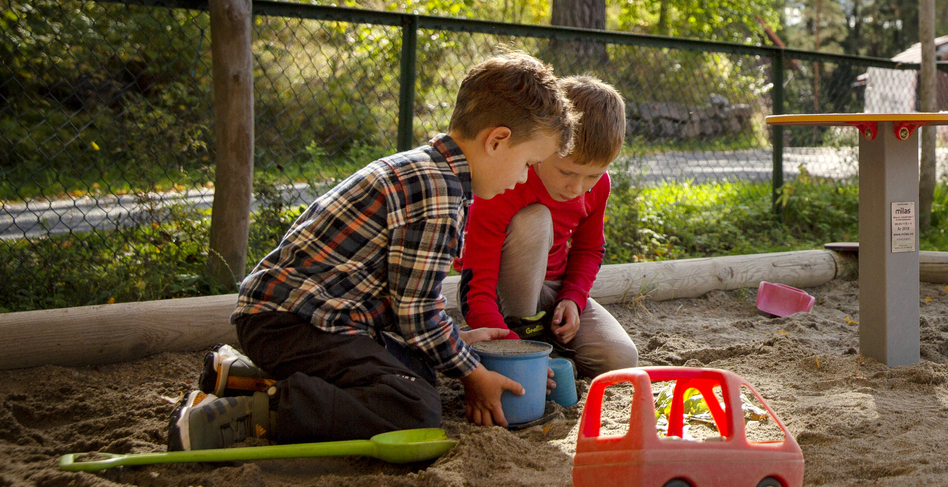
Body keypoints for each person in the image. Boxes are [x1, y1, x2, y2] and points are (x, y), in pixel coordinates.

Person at [170, 51, 576, 450]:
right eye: (527, 163)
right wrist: (472, 373)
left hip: (301, 317)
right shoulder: (438, 194)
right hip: (292, 323)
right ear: (497, 141)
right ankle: (248, 415)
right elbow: (417, 314)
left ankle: (244, 377)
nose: (525, 177)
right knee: (413, 404)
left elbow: (405, 303)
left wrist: (457, 340)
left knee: (418, 367)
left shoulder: (429, 167)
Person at [456, 74, 640, 381]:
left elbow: (589, 248)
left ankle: (544, 345)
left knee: (620, 358)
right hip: (498, 295)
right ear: (545, 145)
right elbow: (478, 286)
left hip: (552, 291)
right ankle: (521, 336)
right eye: (566, 171)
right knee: (536, 220)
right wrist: (513, 349)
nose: (577, 188)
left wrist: (573, 298)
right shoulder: (506, 182)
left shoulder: (597, 186)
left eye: (592, 176)